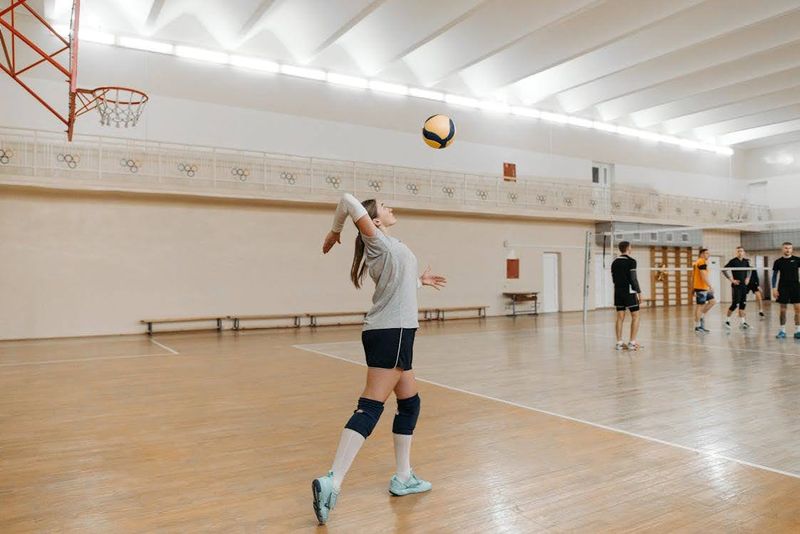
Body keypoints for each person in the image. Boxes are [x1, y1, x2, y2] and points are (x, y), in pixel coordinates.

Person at [313, 193, 447, 525]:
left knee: (410, 403)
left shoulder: (388, 246)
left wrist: (420, 281)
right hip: (393, 332)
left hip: (393, 332)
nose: (390, 208)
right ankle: (333, 480)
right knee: (371, 406)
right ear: (373, 221)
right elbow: (346, 199)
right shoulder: (377, 242)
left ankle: (403, 478)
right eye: (384, 207)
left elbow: (397, 285)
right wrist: (335, 231)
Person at [611, 241, 642, 350]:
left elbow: (614, 279)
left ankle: (619, 343)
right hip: (629, 292)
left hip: (618, 292)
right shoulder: (631, 261)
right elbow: (633, 279)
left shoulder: (614, 262)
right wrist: (639, 292)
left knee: (620, 317)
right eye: (631, 246)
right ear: (628, 248)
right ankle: (632, 343)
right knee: (636, 316)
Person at [771, 242, 800, 339]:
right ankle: (782, 331)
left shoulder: (797, 260)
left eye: (789, 248)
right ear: (782, 249)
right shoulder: (778, 262)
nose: (788, 250)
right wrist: (774, 288)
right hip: (783, 287)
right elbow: (774, 276)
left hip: (796, 287)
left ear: (792, 249)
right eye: (786, 248)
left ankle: (798, 331)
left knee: (798, 309)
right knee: (783, 310)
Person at [723, 246, 751, 330]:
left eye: (741, 251)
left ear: (744, 252)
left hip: (744, 286)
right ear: (736, 252)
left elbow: (750, 270)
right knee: (735, 304)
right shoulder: (733, 261)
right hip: (736, 286)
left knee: (743, 304)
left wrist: (748, 278)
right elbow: (723, 270)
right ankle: (727, 321)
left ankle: (743, 323)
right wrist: (731, 280)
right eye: (738, 251)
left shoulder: (746, 261)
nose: (740, 252)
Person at [692, 248, 716, 333]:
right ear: (701, 254)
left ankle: (701, 316)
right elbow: (703, 276)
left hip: (704, 287)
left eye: (708, 253)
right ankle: (697, 326)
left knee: (712, 301)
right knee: (700, 306)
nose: (708, 255)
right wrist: (710, 286)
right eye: (706, 253)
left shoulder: (699, 262)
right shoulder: (701, 261)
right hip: (701, 287)